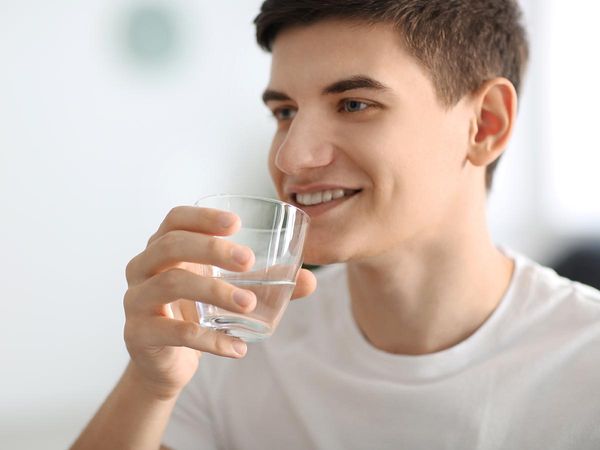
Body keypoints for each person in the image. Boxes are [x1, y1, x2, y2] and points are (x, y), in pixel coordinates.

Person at [71, 1, 600, 449]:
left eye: (354, 104)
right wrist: (149, 386)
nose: (291, 158)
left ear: (485, 124)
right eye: (284, 112)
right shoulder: (232, 347)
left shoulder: (585, 363)